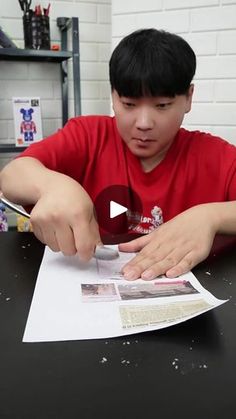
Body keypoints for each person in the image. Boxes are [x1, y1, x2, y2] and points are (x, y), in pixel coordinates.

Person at [1, 28, 236, 281]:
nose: (144, 123)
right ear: (113, 96)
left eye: (162, 105)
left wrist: (211, 217)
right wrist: (51, 185)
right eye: (129, 104)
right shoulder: (89, 135)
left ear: (188, 98)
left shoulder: (215, 156)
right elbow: (11, 176)